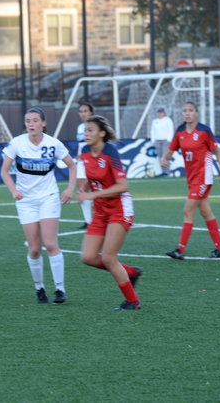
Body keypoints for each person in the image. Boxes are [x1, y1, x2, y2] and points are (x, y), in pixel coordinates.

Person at [1, 108, 77, 304]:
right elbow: (4, 172)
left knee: (50, 244)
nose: (31, 124)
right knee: (34, 249)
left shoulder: (53, 144)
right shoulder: (17, 143)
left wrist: (70, 188)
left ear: (43, 123)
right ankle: (39, 288)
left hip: (48, 197)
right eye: (28, 121)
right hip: (26, 201)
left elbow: (72, 165)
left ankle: (60, 289)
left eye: (35, 120)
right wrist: (14, 191)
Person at [78, 115, 143, 311]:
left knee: (108, 258)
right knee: (88, 257)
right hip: (100, 210)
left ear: (102, 133)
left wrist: (92, 194)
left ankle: (132, 301)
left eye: (90, 130)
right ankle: (130, 272)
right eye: (85, 130)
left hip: (119, 208)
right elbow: (91, 176)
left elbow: (123, 186)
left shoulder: (110, 152)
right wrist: (83, 188)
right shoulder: (84, 151)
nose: (86, 133)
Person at [160, 101, 220, 260]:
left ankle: (180, 250)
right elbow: (171, 150)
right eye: (185, 110)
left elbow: (217, 152)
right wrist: (164, 159)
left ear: (196, 113)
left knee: (188, 210)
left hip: (203, 177)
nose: (187, 113)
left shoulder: (204, 131)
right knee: (205, 212)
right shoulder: (180, 131)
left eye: (191, 110)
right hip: (191, 178)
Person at [76, 103, 95, 229]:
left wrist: (86, 154)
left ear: (91, 112)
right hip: (82, 162)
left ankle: (101, 218)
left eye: (85, 111)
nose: (83, 113)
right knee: (82, 191)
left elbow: (98, 144)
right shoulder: (80, 127)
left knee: (97, 190)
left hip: (93, 160)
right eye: (81, 111)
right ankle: (88, 221)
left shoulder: (95, 125)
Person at [150, 107, 174, 177]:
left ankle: (167, 172)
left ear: (164, 113)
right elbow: (152, 131)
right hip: (157, 141)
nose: (160, 114)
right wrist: (153, 140)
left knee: (165, 156)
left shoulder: (168, 120)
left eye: (161, 112)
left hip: (165, 141)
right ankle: (164, 172)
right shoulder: (155, 121)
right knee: (160, 157)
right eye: (159, 112)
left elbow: (171, 129)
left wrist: (169, 139)